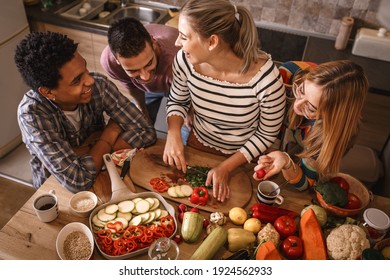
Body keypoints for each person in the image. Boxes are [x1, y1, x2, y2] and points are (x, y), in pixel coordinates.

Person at [163, 0, 286, 202]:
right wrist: (173, 131)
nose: (177, 43)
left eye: (184, 37)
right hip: (197, 147)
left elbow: (267, 134)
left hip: (244, 160)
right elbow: (177, 100)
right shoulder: (184, 60)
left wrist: (226, 167)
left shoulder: (267, 80)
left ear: (212, 42)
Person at [15, 31, 157, 193]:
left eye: (85, 69)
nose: (90, 80)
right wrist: (108, 136)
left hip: (106, 174)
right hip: (56, 189)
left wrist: (84, 154)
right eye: (77, 81)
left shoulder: (99, 85)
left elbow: (146, 131)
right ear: (48, 92)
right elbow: (77, 181)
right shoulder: (32, 115)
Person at [253, 60, 368, 191]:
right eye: (301, 90)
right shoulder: (287, 74)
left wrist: (286, 161)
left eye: (311, 108)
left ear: (331, 115)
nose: (297, 105)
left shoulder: (333, 134)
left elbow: (306, 182)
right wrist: (271, 149)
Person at [100, 17, 180, 124]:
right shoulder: (109, 62)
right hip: (149, 89)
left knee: (189, 131)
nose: (145, 77)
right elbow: (130, 85)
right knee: (139, 123)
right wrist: (142, 108)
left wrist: (189, 116)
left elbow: (188, 98)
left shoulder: (178, 59)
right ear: (116, 60)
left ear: (153, 43)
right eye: (133, 71)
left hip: (181, 82)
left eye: (149, 63)